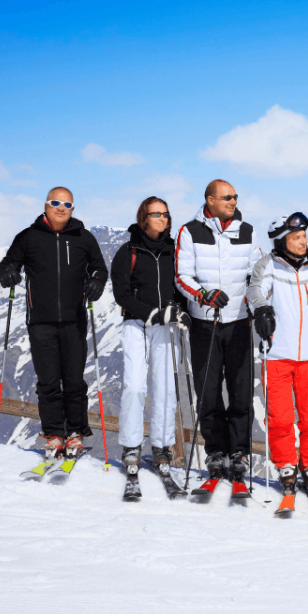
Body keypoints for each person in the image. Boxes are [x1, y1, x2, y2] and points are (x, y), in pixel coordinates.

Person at [0, 187, 108, 461]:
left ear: (73, 208)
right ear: (46, 205)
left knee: (73, 381)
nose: (61, 207)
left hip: (74, 320)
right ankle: (54, 434)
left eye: (67, 204)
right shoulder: (28, 237)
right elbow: (7, 264)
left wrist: (96, 282)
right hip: (41, 322)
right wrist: (8, 273)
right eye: (56, 202)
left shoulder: (83, 237)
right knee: (47, 382)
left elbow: (99, 268)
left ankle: (76, 433)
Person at [247, 212, 308, 500]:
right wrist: (262, 309)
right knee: (279, 417)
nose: (303, 241)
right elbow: (256, 291)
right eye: (296, 237)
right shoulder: (268, 265)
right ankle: (286, 465)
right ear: (282, 241)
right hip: (278, 353)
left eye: (304, 236)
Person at [174, 179, 261, 486]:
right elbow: (182, 276)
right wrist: (203, 294)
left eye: (235, 197)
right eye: (226, 197)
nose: (233, 201)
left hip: (239, 322)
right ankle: (216, 452)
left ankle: (239, 452)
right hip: (204, 323)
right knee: (208, 391)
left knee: (240, 391)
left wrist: (257, 301)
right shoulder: (190, 231)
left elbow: (257, 273)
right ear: (209, 199)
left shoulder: (247, 231)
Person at [110, 196, 191, 483]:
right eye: (157, 214)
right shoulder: (128, 252)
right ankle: (131, 446)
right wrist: (151, 313)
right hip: (136, 324)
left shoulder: (175, 252)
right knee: (134, 386)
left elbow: (182, 286)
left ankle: (162, 446)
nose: (163, 219)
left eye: (166, 214)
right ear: (144, 217)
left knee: (167, 388)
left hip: (166, 327)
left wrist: (180, 311)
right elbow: (122, 294)